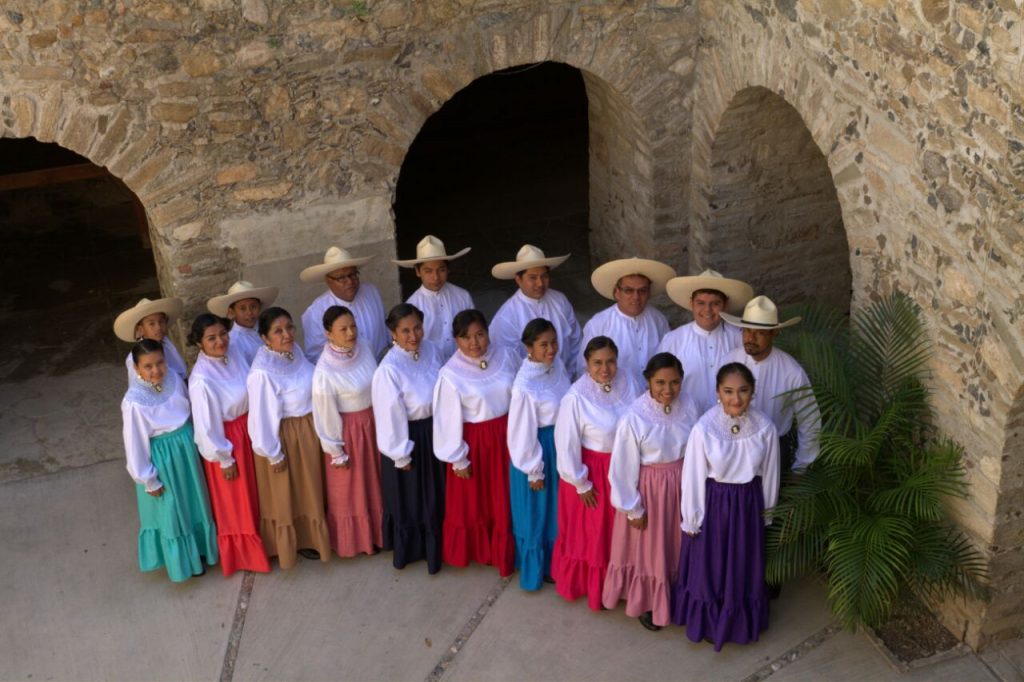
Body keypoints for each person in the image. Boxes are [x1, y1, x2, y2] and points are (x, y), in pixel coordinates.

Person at [671, 362, 780, 650]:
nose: (736, 398)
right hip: (715, 503)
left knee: (742, 562)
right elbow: (693, 475)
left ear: (753, 392)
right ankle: (709, 621)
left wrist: (767, 513)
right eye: (728, 391)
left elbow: (771, 473)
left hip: (748, 505)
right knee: (713, 564)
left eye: (743, 391)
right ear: (718, 392)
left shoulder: (765, 427)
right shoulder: (704, 428)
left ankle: (739, 620)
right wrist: (692, 518)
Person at [602, 352, 699, 631]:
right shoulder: (635, 417)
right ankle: (647, 601)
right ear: (648, 382)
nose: (668, 390)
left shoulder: (690, 405)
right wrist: (632, 507)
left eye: (674, 382)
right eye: (660, 383)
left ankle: (676, 593)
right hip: (651, 490)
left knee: (675, 543)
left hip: (681, 483)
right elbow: (622, 466)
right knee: (650, 548)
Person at [551, 336, 642, 610]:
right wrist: (581, 482)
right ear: (587, 364)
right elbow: (566, 443)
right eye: (598, 363)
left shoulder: (629, 381)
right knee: (595, 536)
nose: (605, 369)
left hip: (625, 466)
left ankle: (621, 585)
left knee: (621, 533)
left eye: (610, 361)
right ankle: (596, 587)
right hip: (594, 472)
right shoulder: (575, 397)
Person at [121, 338, 218, 582]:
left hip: (185, 448)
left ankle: (202, 550)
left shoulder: (173, 379)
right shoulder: (134, 402)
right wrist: (148, 479)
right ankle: (184, 563)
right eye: (148, 366)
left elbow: (188, 410)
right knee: (172, 509)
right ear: (136, 368)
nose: (156, 370)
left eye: (160, 363)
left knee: (193, 500)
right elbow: (134, 443)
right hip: (163, 457)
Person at [432, 309, 518, 577]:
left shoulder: (506, 356)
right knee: (478, 500)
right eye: (466, 337)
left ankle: (506, 549)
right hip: (476, 444)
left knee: (505, 495)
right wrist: (458, 457)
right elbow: (446, 419)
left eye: (479, 334)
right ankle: (481, 549)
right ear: (456, 340)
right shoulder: (450, 374)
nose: (474, 342)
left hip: (507, 435)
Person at [246, 307, 332, 569]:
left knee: (310, 490)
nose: (287, 335)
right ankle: (293, 543)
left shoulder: (294, 353)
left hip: (307, 428)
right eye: (278, 331)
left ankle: (313, 537)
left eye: (289, 327)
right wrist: (273, 453)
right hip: (286, 436)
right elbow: (261, 416)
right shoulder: (262, 373)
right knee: (289, 493)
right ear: (265, 338)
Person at [187, 314, 271, 576]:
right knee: (237, 500)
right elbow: (206, 426)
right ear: (199, 343)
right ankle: (244, 554)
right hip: (228, 441)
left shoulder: (233, 354)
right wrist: (224, 459)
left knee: (256, 493)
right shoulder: (201, 380)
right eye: (211, 338)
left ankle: (267, 542)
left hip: (248, 430)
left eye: (223, 334)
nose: (220, 341)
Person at [371, 303, 446, 573]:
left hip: (435, 431)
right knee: (413, 496)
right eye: (405, 331)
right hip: (409, 437)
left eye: (417, 328)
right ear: (393, 333)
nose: (413, 336)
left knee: (435, 494)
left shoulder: (432, 350)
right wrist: (400, 453)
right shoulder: (388, 370)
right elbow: (389, 414)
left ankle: (440, 546)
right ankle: (415, 548)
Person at [311, 305, 384, 558]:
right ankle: (358, 540)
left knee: (375, 482)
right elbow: (325, 413)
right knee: (353, 488)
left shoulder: (364, 347)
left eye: (353, 326)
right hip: (350, 432)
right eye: (343, 329)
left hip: (373, 423)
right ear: (328, 334)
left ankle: (380, 532)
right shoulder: (324, 371)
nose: (351, 333)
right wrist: (336, 451)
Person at [507, 318, 571, 591]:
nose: (551, 349)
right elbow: (521, 432)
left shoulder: (556, 366)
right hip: (539, 449)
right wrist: (534, 468)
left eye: (554, 342)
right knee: (539, 511)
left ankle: (559, 561)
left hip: (560, 444)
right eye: (543, 344)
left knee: (557, 510)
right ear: (528, 348)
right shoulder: (524, 386)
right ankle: (540, 567)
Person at [721, 295, 820, 472]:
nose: (750, 338)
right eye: (746, 330)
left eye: (759, 333)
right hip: (732, 446)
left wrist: (801, 465)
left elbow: (809, 419)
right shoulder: (729, 360)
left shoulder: (791, 371)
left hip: (773, 450)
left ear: (774, 333)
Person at [656, 269, 754, 414]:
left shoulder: (739, 338)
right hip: (687, 419)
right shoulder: (673, 340)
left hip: (731, 418)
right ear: (691, 304)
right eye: (700, 303)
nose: (707, 310)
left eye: (715, 303)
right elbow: (658, 384)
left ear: (725, 304)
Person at [578, 258, 675, 384]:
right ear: (617, 292)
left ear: (649, 293)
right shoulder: (599, 324)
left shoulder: (658, 320)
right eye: (629, 290)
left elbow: (668, 360)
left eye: (642, 291)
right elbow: (584, 368)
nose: (636, 297)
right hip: (614, 393)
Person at [489, 245, 581, 374]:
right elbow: (506, 364)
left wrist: (572, 375)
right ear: (518, 279)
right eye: (532, 277)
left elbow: (576, 341)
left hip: (566, 378)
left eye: (544, 276)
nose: (540, 283)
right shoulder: (506, 317)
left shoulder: (560, 300)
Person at [299, 246, 389, 362]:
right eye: (341, 278)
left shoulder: (371, 292)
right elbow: (316, 356)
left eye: (352, 274)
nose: (350, 281)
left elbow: (386, 329)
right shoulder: (315, 312)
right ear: (328, 281)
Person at [394, 235, 475, 360]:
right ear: (417, 271)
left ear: (448, 269)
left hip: (464, 362)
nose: (436, 277)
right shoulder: (412, 307)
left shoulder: (462, 296)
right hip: (431, 366)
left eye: (441, 270)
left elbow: (473, 330)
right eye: (428, 271)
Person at [115, 297, 188, 383]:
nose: (158, 327)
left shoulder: (165, 342)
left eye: (161, 321)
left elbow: (181, 370)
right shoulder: (135, 358)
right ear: (141, 329)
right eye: (152, 324)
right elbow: (141, 387)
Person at [207, 280, 279, 367]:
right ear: (232, 312)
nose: (249, 312)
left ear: (259, 307)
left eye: (253, 306)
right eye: (242, 308)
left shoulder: (268, 327)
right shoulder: (233, 342)